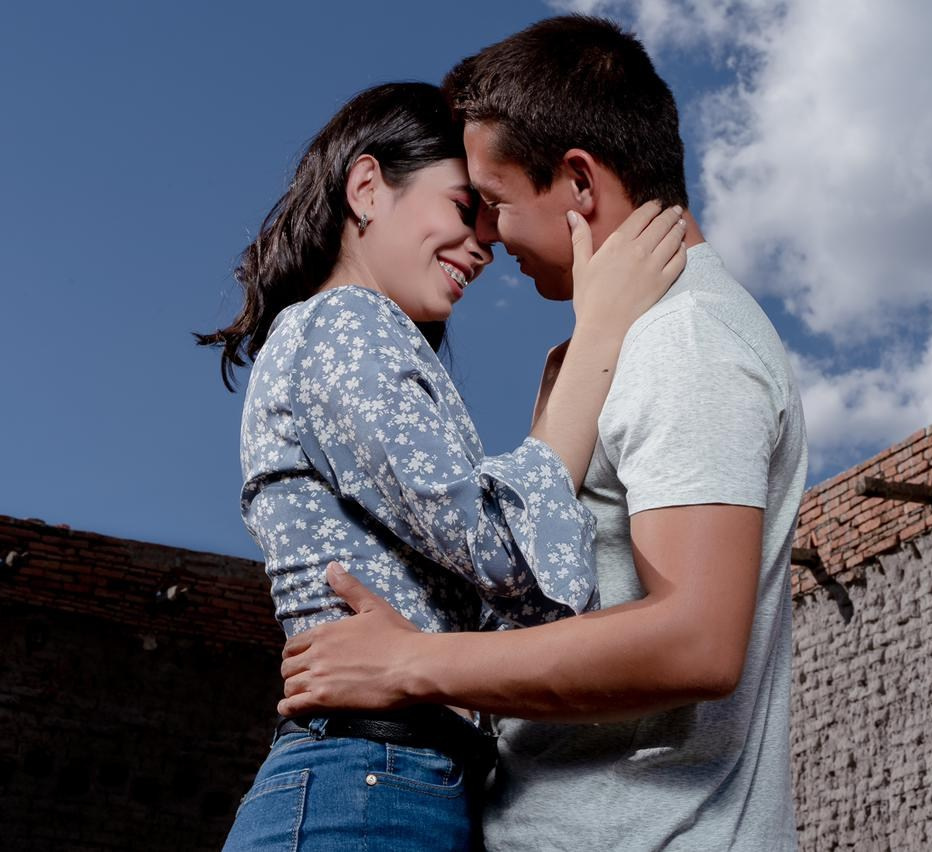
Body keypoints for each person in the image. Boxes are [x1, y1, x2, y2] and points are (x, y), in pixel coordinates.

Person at [278, 16, 809, 851]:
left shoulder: (686, 337)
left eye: (493, 204)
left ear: (578, 185)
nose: (486, 237)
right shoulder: (620, 344)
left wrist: (410, 663)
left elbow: (698, 639)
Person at [196, 82, 687, 850]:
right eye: (464, 209)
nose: (484, 247)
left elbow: (518, 601)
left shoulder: (363, 343)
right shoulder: (343, 325)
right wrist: (602, 336)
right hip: (366, 782)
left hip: (397, 781)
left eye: (491, 231)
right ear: (366, 187)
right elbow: (502, 553)